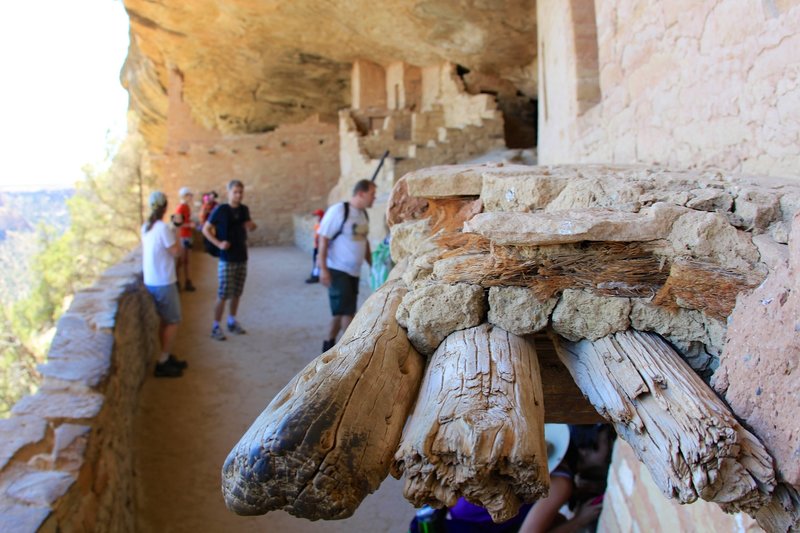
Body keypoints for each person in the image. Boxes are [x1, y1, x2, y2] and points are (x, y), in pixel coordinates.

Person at [317, 179, 376, 352]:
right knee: (348, 312)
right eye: (372, 194)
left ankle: (328, 344)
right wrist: (323, 269)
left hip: (354, 272)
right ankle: (350, 351)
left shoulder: (363, 214)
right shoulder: (339, 211)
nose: (374, 198)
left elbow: (364, 242)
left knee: (340, 311)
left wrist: (372, 265)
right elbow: (323, 239)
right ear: (361, 194)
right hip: (337, 269)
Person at [202, 180, 257, 341]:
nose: (238, 195)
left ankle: (232, 320)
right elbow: (206, 229)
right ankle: (216, 326)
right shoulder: (221, 210)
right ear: (229, 192)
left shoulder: (244, 210)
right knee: (223, 293)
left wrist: (251, 226)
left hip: (242, 256)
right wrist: (219, 243)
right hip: (227, 258)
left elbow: (249, 226)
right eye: (235, 192)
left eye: (241, 192)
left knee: (237, 292)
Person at [141, 191, 188, 378]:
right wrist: (176, 229)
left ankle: (165, 357)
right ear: (165, 207)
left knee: (165, 320)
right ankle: (162, 362)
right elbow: (176, 252)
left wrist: (171, 228)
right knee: (174, 320)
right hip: (163, 281)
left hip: (152, 280)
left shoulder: (146, 226)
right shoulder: (162, 228)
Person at [174, 186, 196, 292]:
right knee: (181, 261)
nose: (190, 197)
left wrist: (190, 223)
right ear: (184, 196)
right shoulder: (180, 208)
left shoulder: (186, 207)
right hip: (183, 236)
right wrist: (189, 225)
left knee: (186, 260)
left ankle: (187, 281)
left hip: (187, 235)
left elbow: (185, 220)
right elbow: (177, 224)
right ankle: (177, 282)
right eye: (189, 195)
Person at [305, 208, 325, 284]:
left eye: (317, 216)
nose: (316, 218)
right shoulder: (318, 224)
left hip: (319, 246)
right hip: (316, 246)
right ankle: (315, 274)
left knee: (317, 261)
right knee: (316, 261)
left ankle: (315, 276)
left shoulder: (323, 225)